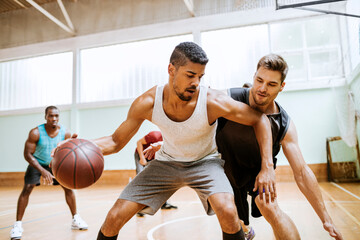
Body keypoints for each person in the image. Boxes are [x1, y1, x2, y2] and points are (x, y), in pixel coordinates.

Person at [53, 42, 276, 240]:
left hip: (205, 162)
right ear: (171, 69)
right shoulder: (148, 102)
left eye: (200, 76)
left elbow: (259, 120)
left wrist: (267, 167)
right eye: (190, 75)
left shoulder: (211, 101)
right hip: (166, 164)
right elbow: (115, 141)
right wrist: (78, 145)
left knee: (228, 211)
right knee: (114, 217)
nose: (196, 82)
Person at [216, 54, 343, 240]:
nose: (262, 88)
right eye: (259, 80)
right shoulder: (228, 98)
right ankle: (244, 228)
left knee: (270, 207)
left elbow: (301, 171)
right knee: (231, 217)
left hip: (261, 173)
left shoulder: (283, 123)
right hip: (226, 169)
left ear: (282, 86)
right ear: (254, 76)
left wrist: (326, 218)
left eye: (271, 84)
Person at [10, 106, 88, 240]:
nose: (54, 118)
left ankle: (75, 218)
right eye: (51, 116)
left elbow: (69, 152)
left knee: (68, 187)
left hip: (56, 163)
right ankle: (17, 225)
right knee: (27, 188)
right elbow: (27, 154)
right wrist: (42, 171)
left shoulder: (65, 133)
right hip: (37, 163)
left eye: (56, 116)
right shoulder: (35, 132)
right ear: (45, 116)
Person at [134, 131, 177, 217]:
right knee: (142, 180)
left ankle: (164, 204)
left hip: (154, 157)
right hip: (142, 154)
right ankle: (139, 208)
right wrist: (142, 158)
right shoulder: (154, 135)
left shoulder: (171, 142)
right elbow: (139, 142)